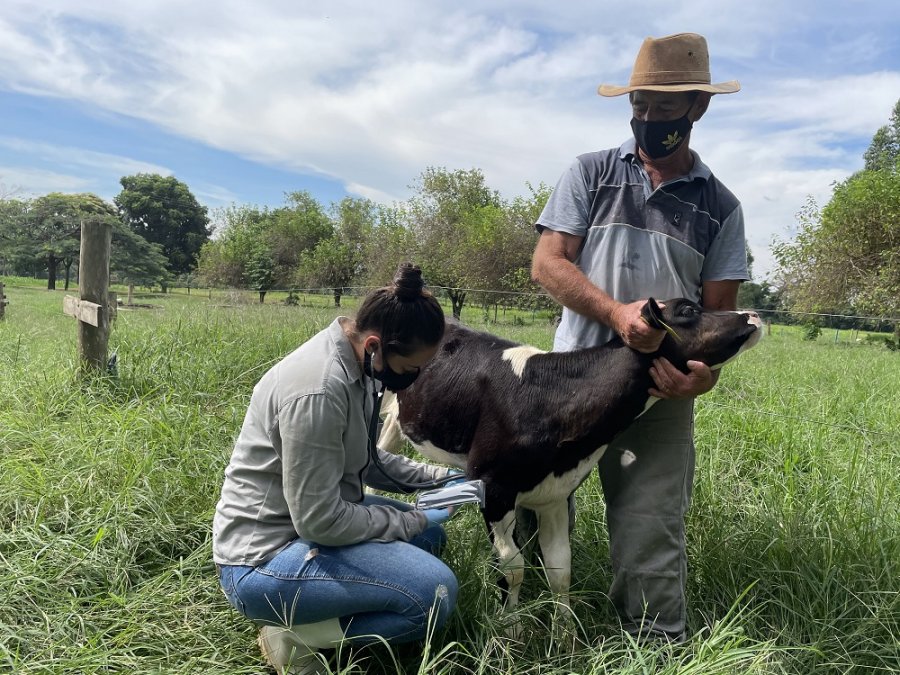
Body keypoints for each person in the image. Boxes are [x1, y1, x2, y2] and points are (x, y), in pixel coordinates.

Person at [530, 33, 749, 642]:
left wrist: (701, 378)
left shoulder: (720, 206)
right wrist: (615, 314)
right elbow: (548, 263)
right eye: (641, 106)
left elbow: (719, 317)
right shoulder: (591, 173)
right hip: (570, 380)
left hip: (658, 394)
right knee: (537, 506)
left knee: (651, 524)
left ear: (697, 109)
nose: (649, 120)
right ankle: (527, 629)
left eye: (665, 108)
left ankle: (654, 645)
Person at [213, 262, 459, 674]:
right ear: (377, 345)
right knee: (434, 595)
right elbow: (320, 522)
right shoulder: (319, 391)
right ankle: (292, 637)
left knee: (432, 536)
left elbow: (368, 459)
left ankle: (323, 617)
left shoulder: (358, 365)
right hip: (262, 561)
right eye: (409, 369)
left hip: (305, 523)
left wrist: (441, 478)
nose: (412, 380)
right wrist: (406, 521)